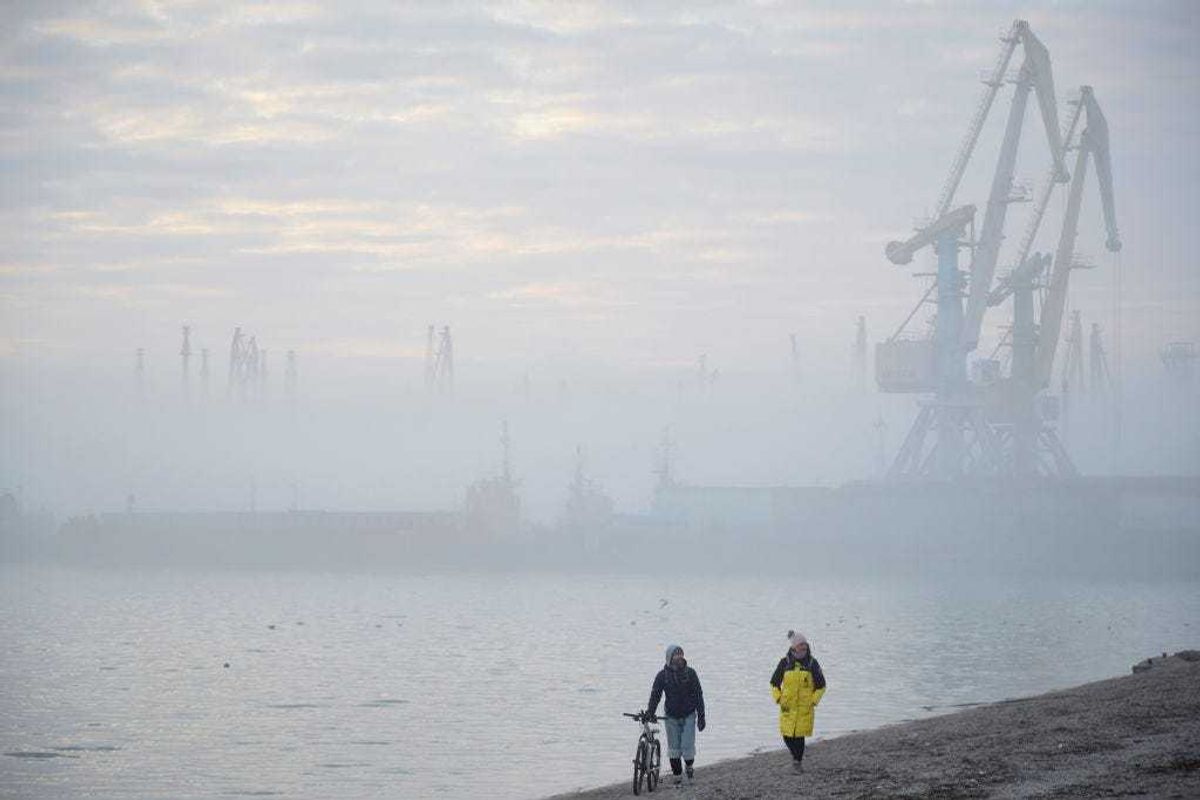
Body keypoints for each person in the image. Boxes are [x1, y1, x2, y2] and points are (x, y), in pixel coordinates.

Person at [647, 644, 706, 786]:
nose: (679, 657)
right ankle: (677, 776)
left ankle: (689, 766)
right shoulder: (662, 676)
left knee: (687, 746)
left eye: (681, 654)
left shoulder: (691, 673)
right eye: (676, 654)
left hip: (689, 715)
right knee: (673, 748)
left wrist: (702, 716)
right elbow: (656, 695)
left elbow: (698, 695)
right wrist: (650, 712)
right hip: (671, 716)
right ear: (669, 658)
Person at [770, 630, 825, 773]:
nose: (804, 648)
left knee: (799, 736)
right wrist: (778, 698)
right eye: (801, 645)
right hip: (787, 706)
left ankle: (797, 761)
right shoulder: (785, 662)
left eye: (805, 645)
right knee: (787, 736)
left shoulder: (812, 663)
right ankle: (796, 758)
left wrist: (813, 701)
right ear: (794, 647)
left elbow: (821, 686)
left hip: (804, 708)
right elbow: (774, 683)